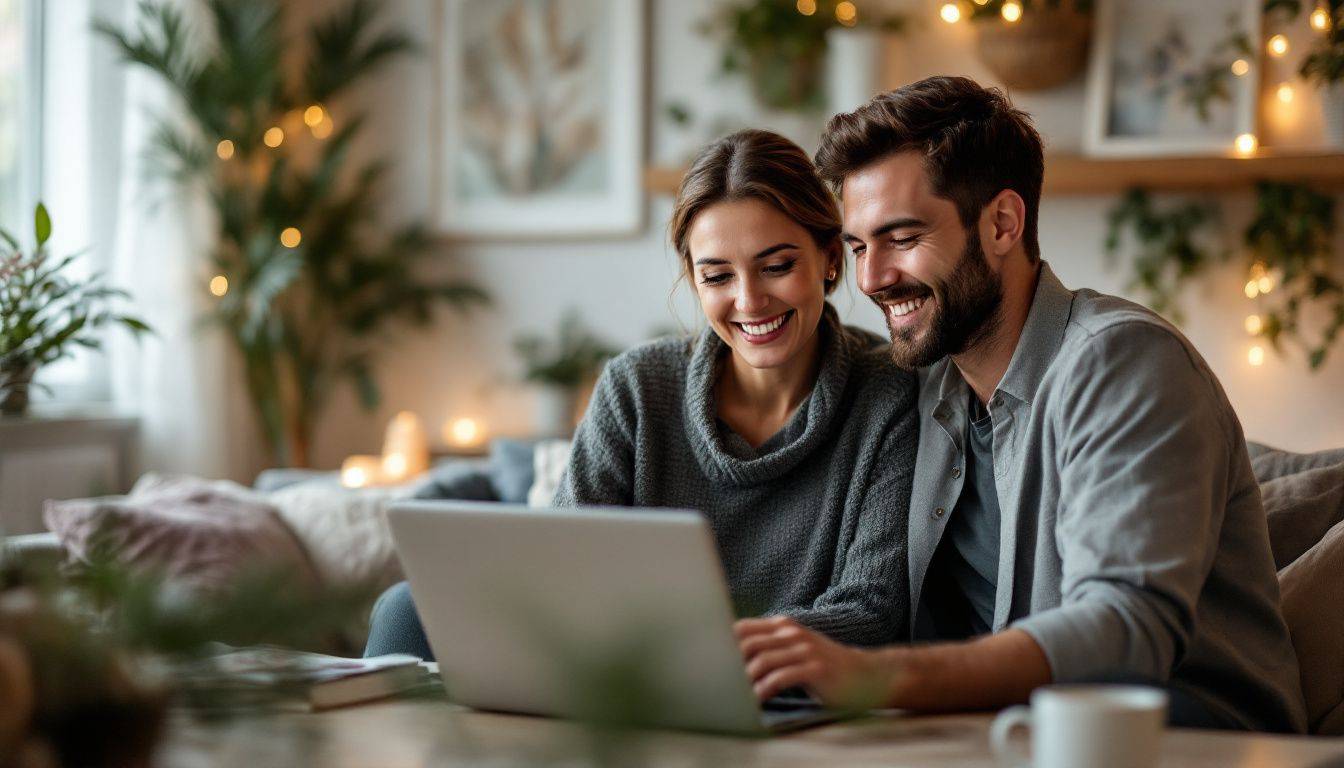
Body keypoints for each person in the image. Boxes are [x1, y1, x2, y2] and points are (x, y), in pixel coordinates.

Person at [735, 76, 1308, 733]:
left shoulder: (1122, 364)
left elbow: (1128, 627)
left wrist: (881, 678)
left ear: (1003, 223)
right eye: (860, 246)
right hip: (994, 733)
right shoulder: (920, 383)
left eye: (901, 237)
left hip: (1184, 736)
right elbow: (778, 364)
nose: (871, 279)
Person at [365, 129, 918, 658]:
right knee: (404, 611)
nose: (749, 301)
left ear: (828, 258)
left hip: (781, 676)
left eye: (776, 266)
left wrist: (707, 649)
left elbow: (868, 609)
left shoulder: (887, 391)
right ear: (693, 278)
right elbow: (566, 565)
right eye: (718, 277)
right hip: (627, 662)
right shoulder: (637, 385)